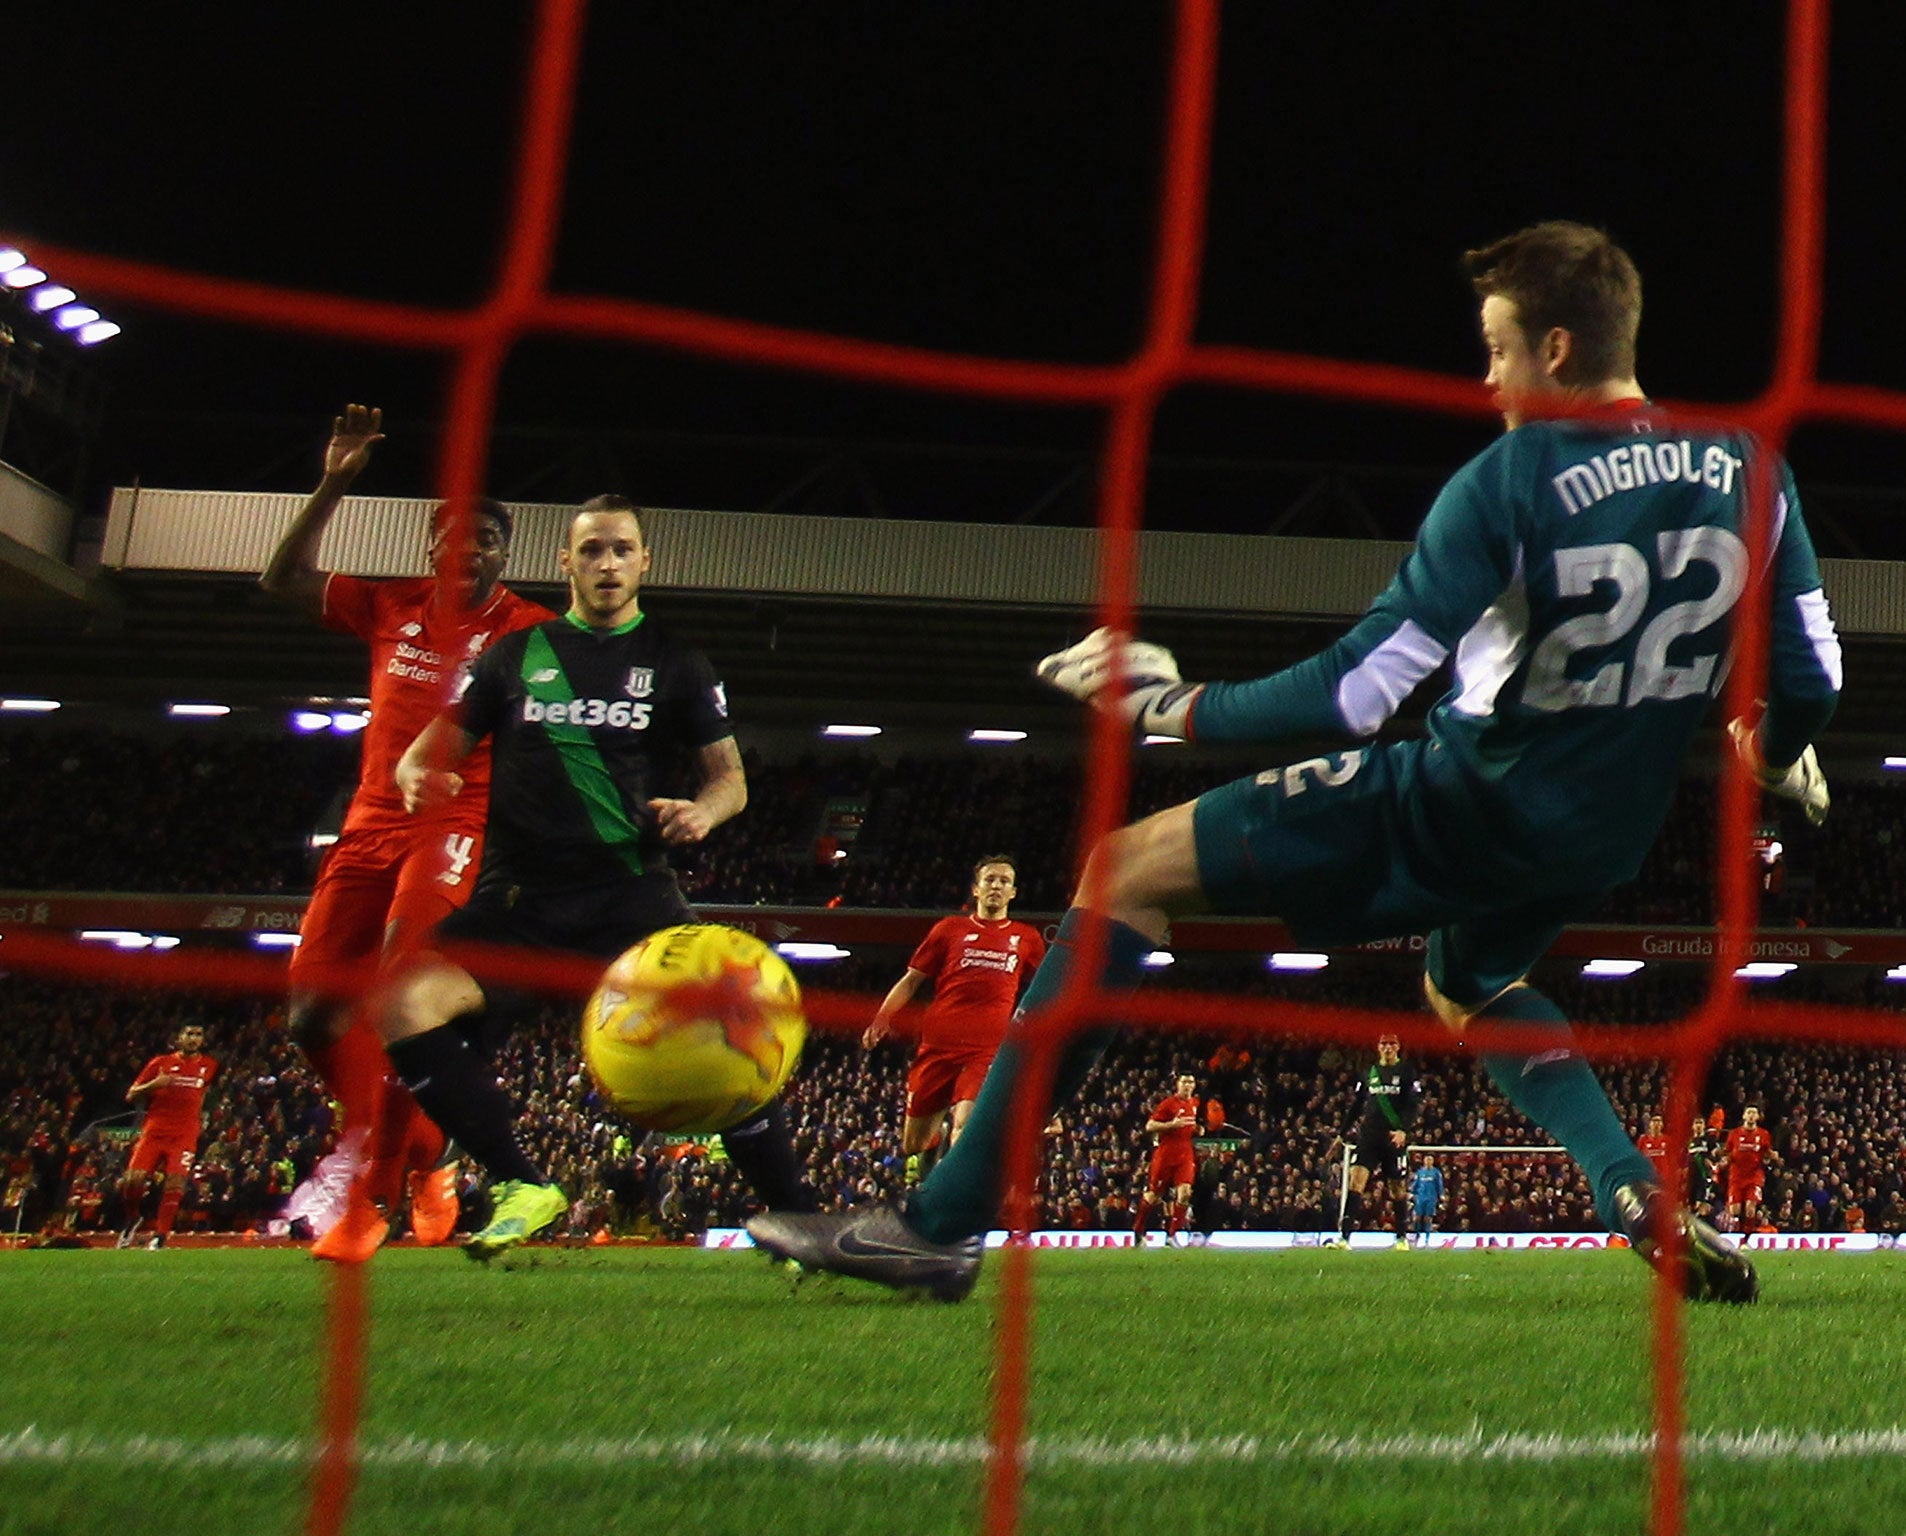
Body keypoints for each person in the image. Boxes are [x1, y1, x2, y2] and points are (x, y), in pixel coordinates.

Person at [749, 220, 1839, 1304]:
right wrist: (1771, 753)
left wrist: (1169, 705)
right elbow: (1812, 680)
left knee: (1121, 872)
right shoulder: (1750, 467)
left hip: (1462, 797)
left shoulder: (1509, 478)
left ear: (1555, 350)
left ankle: (936, 1227)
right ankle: (1625, 1186)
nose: (1487, 378)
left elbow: (1357, 694)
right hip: (1601, 833)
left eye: (1498, 348)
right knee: (1469, 982)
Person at [377, 494, 815, 1258]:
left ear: (644, 561)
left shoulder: (678, 661)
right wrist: (418, 774)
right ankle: (524, 1183)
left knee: (727, 1039)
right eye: (591, 551)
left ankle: (803, 1220)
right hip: (518, 902)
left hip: (630, 898)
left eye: (620, 550)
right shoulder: (517, 657)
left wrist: (704, 814)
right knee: (399, 1004)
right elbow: (427, 752)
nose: (606, 564)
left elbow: (730, 780)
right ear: (566, 562)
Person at [260, 403, 554, 1262]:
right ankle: (419, 1154)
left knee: (398, 997)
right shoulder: (390, 606)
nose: (475, 551)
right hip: (366, 828)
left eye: (491, 542)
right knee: (311, 1019)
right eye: (460, 537)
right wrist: (335, 481)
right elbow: (279, 580)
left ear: (504, 555)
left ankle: (372, 1194)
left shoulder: (532, 633)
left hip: (456, 827)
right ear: (435, 546)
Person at [860, 856, 1045, 1184]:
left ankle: (951, 1199)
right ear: (976, 889)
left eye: (1004, 881)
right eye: (990, 880)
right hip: (939, 1043)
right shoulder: (949, 930)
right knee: (912, 1143)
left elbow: (1044, 987)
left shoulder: (1026, 938)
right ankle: (933, 1143)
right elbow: (911, 980)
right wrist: (882, 1018)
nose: (996, 886)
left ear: (1013, 892)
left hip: (987, 1047)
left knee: (966, 1128)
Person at [119, 1024, 219, 1248]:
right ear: (179, 1038)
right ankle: (133, 1218)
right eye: (189, 1034)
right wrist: (154, 1085)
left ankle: (160, 1235)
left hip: (185, 1132)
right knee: (132, 1180)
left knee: (175, 1181)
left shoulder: (209, 1065)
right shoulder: (159, 1063)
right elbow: (130, 1094)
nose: (193, 1039)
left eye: (198, 1035)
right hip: (155, 1129)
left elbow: (202, 1094)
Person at [1338, 1033, 1420, 1245]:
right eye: (1384, 1044)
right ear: (1378, 1047)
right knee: (1356, 1182)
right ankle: (1344, 1238)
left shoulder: (1406, 1071)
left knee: (1397, 1188)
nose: (1388, 1048)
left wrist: (1403, 1129)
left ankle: (1402, 1238)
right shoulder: (1369, 1072)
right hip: (1368, 1137)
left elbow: (1413, 1105)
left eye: (1392, 1044)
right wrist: (1341, 1133)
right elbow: (1356, 1105)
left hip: (1393, 1138)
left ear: (1398, 1047)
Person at [1132, 1072, 1201, 1241]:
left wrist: (1198, 1130)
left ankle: (1172, 1236)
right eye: (1184, 1082)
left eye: (1191, 1082)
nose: (1188, 1085)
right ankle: (1138, 1229)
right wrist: (1171, 1125)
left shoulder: (1194, 1103)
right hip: (1165, 1155)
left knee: (1185, 1193)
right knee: (1154, 1196)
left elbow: (1189, 1126)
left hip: (1185, 1154)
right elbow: (1150, 1125)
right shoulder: (1168, 1104)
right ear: (1177, 1084)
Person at [1724, 1104, 1775, 1231]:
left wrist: (1772, 1156)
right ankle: (1737, 1234)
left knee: (1750, 1208)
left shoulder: (1763, 1134)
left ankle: (1747, 1238)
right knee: (1735, 1210)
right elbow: (1727, 1152)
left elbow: (1767, 1153)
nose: (1751, 1116)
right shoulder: (1734, 1134)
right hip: (1736, 1175)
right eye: (1749, 1112)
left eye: (1754, 1113)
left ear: (1758, 1116)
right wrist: (1725, 1159)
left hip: (1754, 1175)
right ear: (1744, 1116)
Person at [1410, 1153, 1444, 1241]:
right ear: (1424, 1161)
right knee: (1418, 1216)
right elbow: (1416, 1184)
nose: (1428, 1161)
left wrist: (1441, 1195)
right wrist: (1411, 1192)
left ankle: (1427, 1237)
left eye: (1430, 1160)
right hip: (1421, 1197)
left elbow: (1439, 1185)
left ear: (1432, 1161)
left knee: (1428, 1218)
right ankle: (1416, 1234)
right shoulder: (1420, 1172)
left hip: (1431, 1197)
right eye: (1427, 1159)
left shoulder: (1436, 1173)